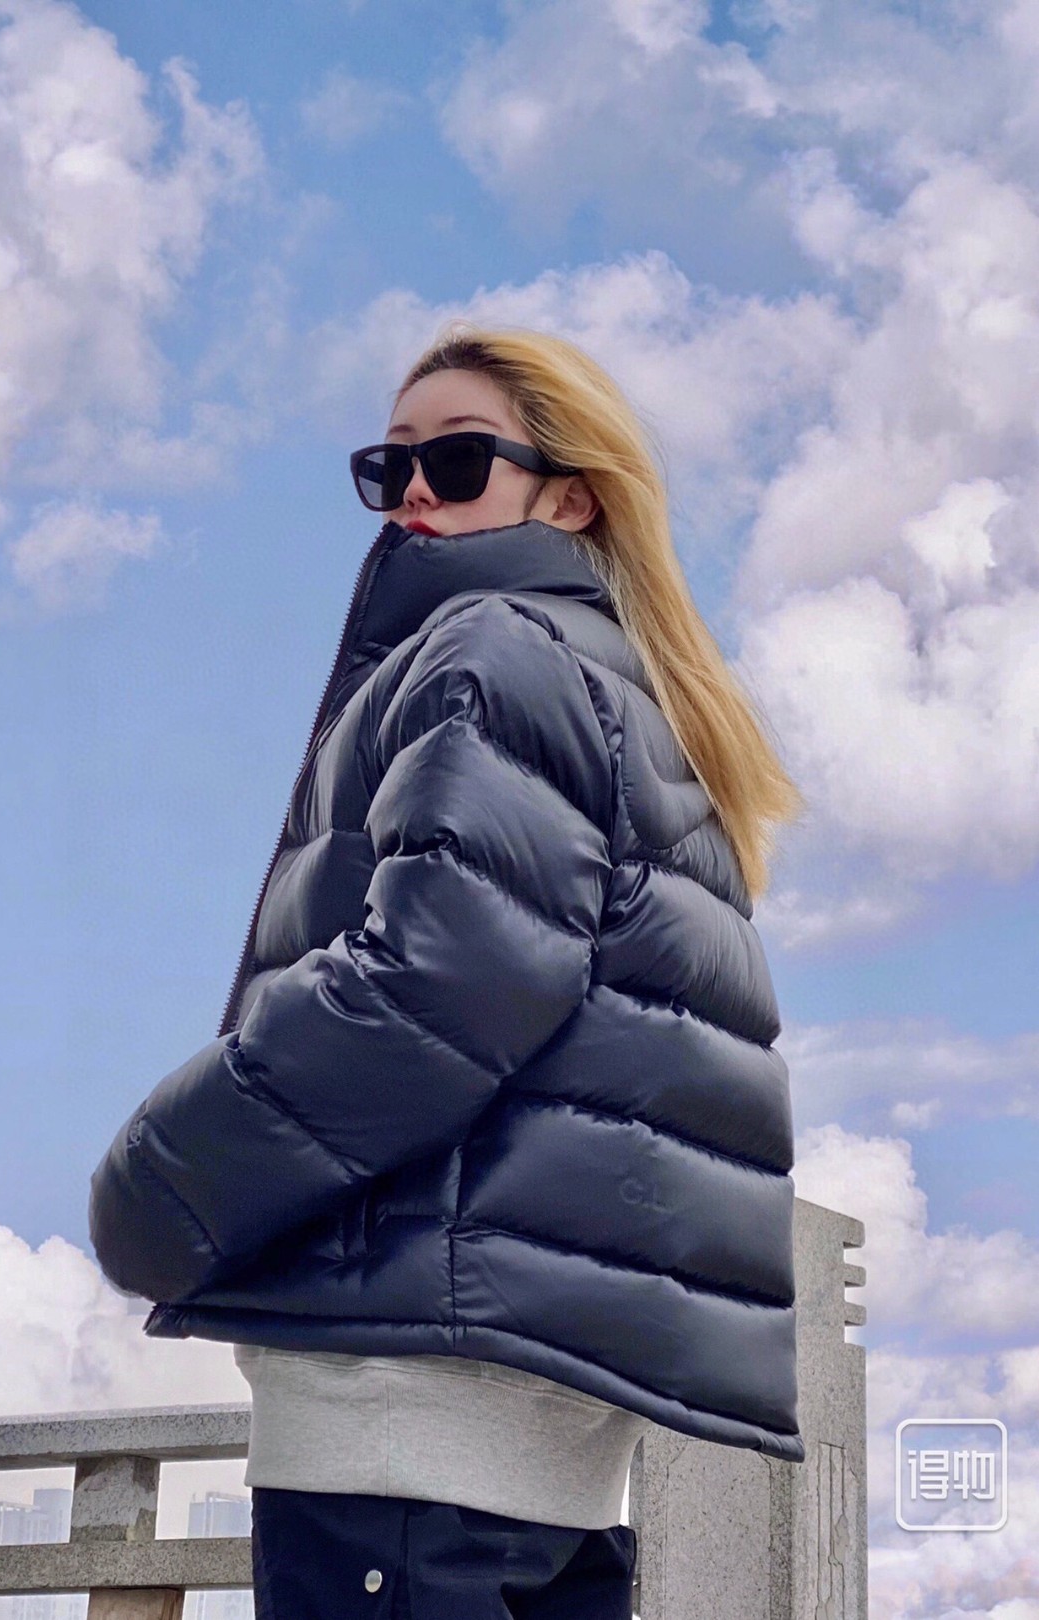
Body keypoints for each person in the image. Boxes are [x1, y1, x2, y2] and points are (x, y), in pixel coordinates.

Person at [89, 322, 807, 1619]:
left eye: (461, 458)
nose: (414, 489)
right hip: (542, 1434)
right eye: (389, 465)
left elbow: (434, 984)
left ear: (571, 495)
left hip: (404, 1416)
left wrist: (159, 1183)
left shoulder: (489, 647)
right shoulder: (630, 693)